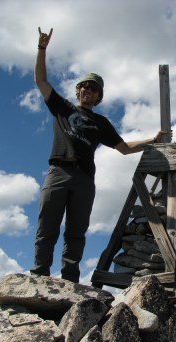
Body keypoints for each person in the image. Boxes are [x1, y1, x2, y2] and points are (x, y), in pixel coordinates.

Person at [30, 27, 168, 283]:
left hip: (84, 179)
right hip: (58, 172)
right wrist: (42, 49)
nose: (88, 92)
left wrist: (153, 139)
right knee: (47, 227)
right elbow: (40, 80)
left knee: (76, 231)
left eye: (94, 89)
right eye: (85, 87)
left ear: (99, 96)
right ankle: (39, 276)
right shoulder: (62, 108)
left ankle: (69, 281)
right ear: (78, 90)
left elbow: (124, 148)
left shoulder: (101, 123)